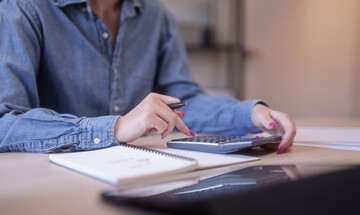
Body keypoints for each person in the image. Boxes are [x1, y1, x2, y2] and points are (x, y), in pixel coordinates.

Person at [0, 0, 296, 153]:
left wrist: (249, 114)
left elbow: (184, 102)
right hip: (52, 186)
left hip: (139, 174)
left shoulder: (156, 15)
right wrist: (115, 128)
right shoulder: (23, 8)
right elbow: (5, 121)